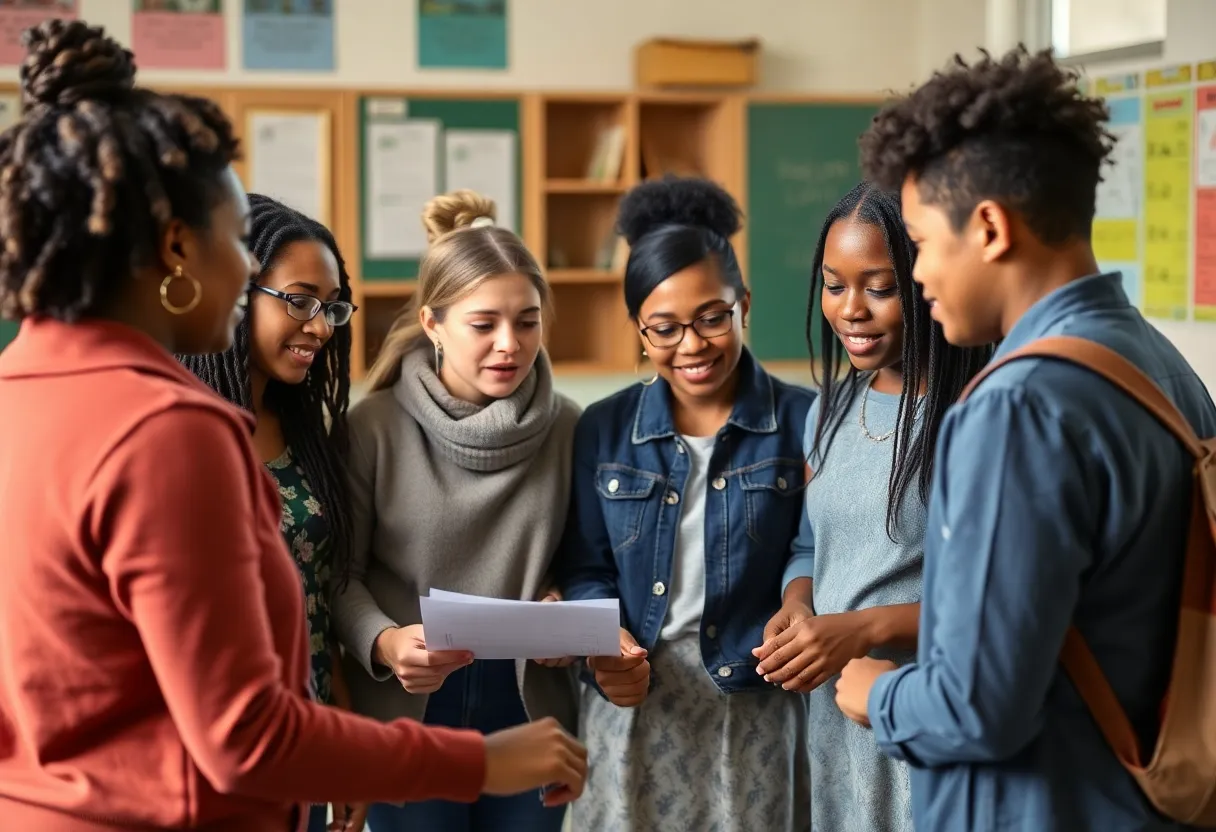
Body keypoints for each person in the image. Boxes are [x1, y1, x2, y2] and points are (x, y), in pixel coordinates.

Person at [0, 19, 586, 832]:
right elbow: (244, 734)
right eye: (238, 243)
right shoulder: (170, 430)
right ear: (176, 250)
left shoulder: (15, 392)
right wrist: (483, 762)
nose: (245, 273)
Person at [830, 46, 1216, 831]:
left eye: (922, 244)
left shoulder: (1015, 408)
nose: (921, 275)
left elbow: (976, 709)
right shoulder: (1163, 369)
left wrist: (876, 690)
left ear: (991, 228)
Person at [556, 176, 814, 831]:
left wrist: (797, 599)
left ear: (743, 305)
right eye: (665, 329)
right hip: (636, 697)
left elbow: (812, 544)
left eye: (711, 318)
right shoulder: (604, 428)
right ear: (640, 332)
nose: (693, 346)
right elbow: (587, 569)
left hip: (755, 700)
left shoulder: (805, 419)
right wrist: (599, 640)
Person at [332, 190, 582, 832]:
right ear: (432, 323)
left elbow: (586, 561)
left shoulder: (570, 428)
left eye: (528, 321)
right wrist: (386, 643)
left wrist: (564, 602)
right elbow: (337, 577)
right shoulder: (374, 428)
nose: (510, 344)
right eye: (484, 324)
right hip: (408, 702)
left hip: (529, 702)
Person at [751, 182, 992, 832]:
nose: (850, 310)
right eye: (834, 285)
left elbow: (992, 603)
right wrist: (798, 604)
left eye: (879, 288)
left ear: (922, 280)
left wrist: (861, 628)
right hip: (834, 719)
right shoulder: (827, 410)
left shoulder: (976, 413)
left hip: (918, 713)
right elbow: (810, 542)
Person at [178, 194, 365, 832]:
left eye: (332, 307)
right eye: (299, 300)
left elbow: (316, 592)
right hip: (211, 755)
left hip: (308, 737)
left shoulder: (305, 430)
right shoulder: (179, 434)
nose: (319, 326)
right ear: (235, 288)